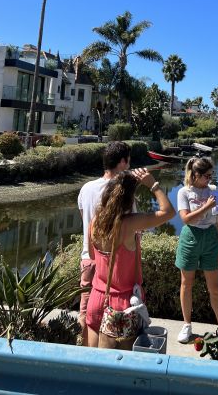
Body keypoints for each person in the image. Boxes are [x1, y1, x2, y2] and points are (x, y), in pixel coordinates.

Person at [86, 168, 175, 348]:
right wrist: (153, 185)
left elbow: (92, 254)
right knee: (121, 366)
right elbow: (168, 212)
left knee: (93, 359)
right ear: (130, 200)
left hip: (97, 297)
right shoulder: (129, 223)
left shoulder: (96, 221)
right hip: (122, 303)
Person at [77, 141, 131, 345]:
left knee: (87, 313)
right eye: (128, 160)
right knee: (115, 317)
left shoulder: (86, 188)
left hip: (88, 257)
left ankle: (83, 355)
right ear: (123, 162)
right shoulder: (124, 192)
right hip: (114, 264)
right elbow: (133, 228)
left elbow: (84, 218)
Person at [175, 156, 218, 343]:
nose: (209, 179)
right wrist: (207, 206)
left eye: (211, 175)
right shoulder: (184, 192)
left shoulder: (214, 190)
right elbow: (186, 219)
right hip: (191, 237)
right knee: (186, 284)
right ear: (195, 175)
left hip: (211, 238)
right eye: (206, 176)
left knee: (215, 287)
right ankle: (187, 325)